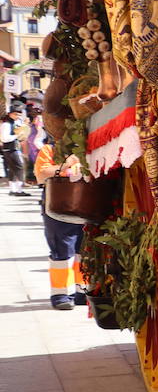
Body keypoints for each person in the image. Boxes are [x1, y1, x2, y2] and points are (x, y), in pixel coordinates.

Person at [33, 142, 86, 310]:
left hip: (85, 205)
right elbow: (41, 175)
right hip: (58, 206)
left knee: (84, 251)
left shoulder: (88, 146)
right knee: (60, 251)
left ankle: (82, 290)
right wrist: (67, 164)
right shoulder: (50, 149)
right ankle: (60, 294)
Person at [2, 104, 28, 196]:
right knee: (19, 168)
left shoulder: (14, 123)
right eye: (16, 114)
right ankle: (18, 190)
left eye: (20, 114)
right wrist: (17, 135)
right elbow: (4, 138)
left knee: (13, 169)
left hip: (12, 148)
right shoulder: (7, 124)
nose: (18, 116)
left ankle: (13, 190)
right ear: (10, 114)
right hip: (10, 149)